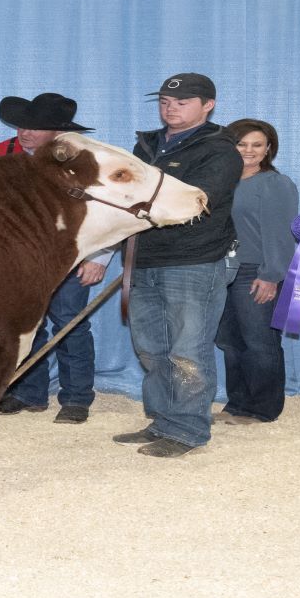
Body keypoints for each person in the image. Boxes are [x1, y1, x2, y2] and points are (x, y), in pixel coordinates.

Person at [114, 73, 242, 458]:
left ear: (208, 105)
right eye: (166, 102)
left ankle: (188, 429)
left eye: (183, 102)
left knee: (188, 348)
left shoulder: (220, 151)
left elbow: (195, 200)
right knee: (151, 347)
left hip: (194, 259)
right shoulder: (146, 145)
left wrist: (134, 205)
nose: (171, 108)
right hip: (143, 257)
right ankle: (163, 419)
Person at [0, 93, 112, 425]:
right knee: (27, 324)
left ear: (58, 132)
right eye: (22, 125)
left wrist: (100, 257)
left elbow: (109, 210)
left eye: (36, 127)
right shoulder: (5, 153)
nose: (25, 133)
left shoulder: (87, 159)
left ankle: (76, 398)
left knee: (70, 323)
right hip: (20, 256)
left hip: (71, 255)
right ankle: (28, 391)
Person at [213, 119, 298, 425]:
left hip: (255, 271)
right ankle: (238, 403)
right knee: (230, 342)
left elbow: (281, 234)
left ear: (268, 149)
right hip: (220, 271)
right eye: (241, 143)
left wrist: (272, 275)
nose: (249, 150)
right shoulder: (220, 182)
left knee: (260, 342)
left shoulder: (275, 184)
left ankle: (263, 408)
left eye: (257, 144)